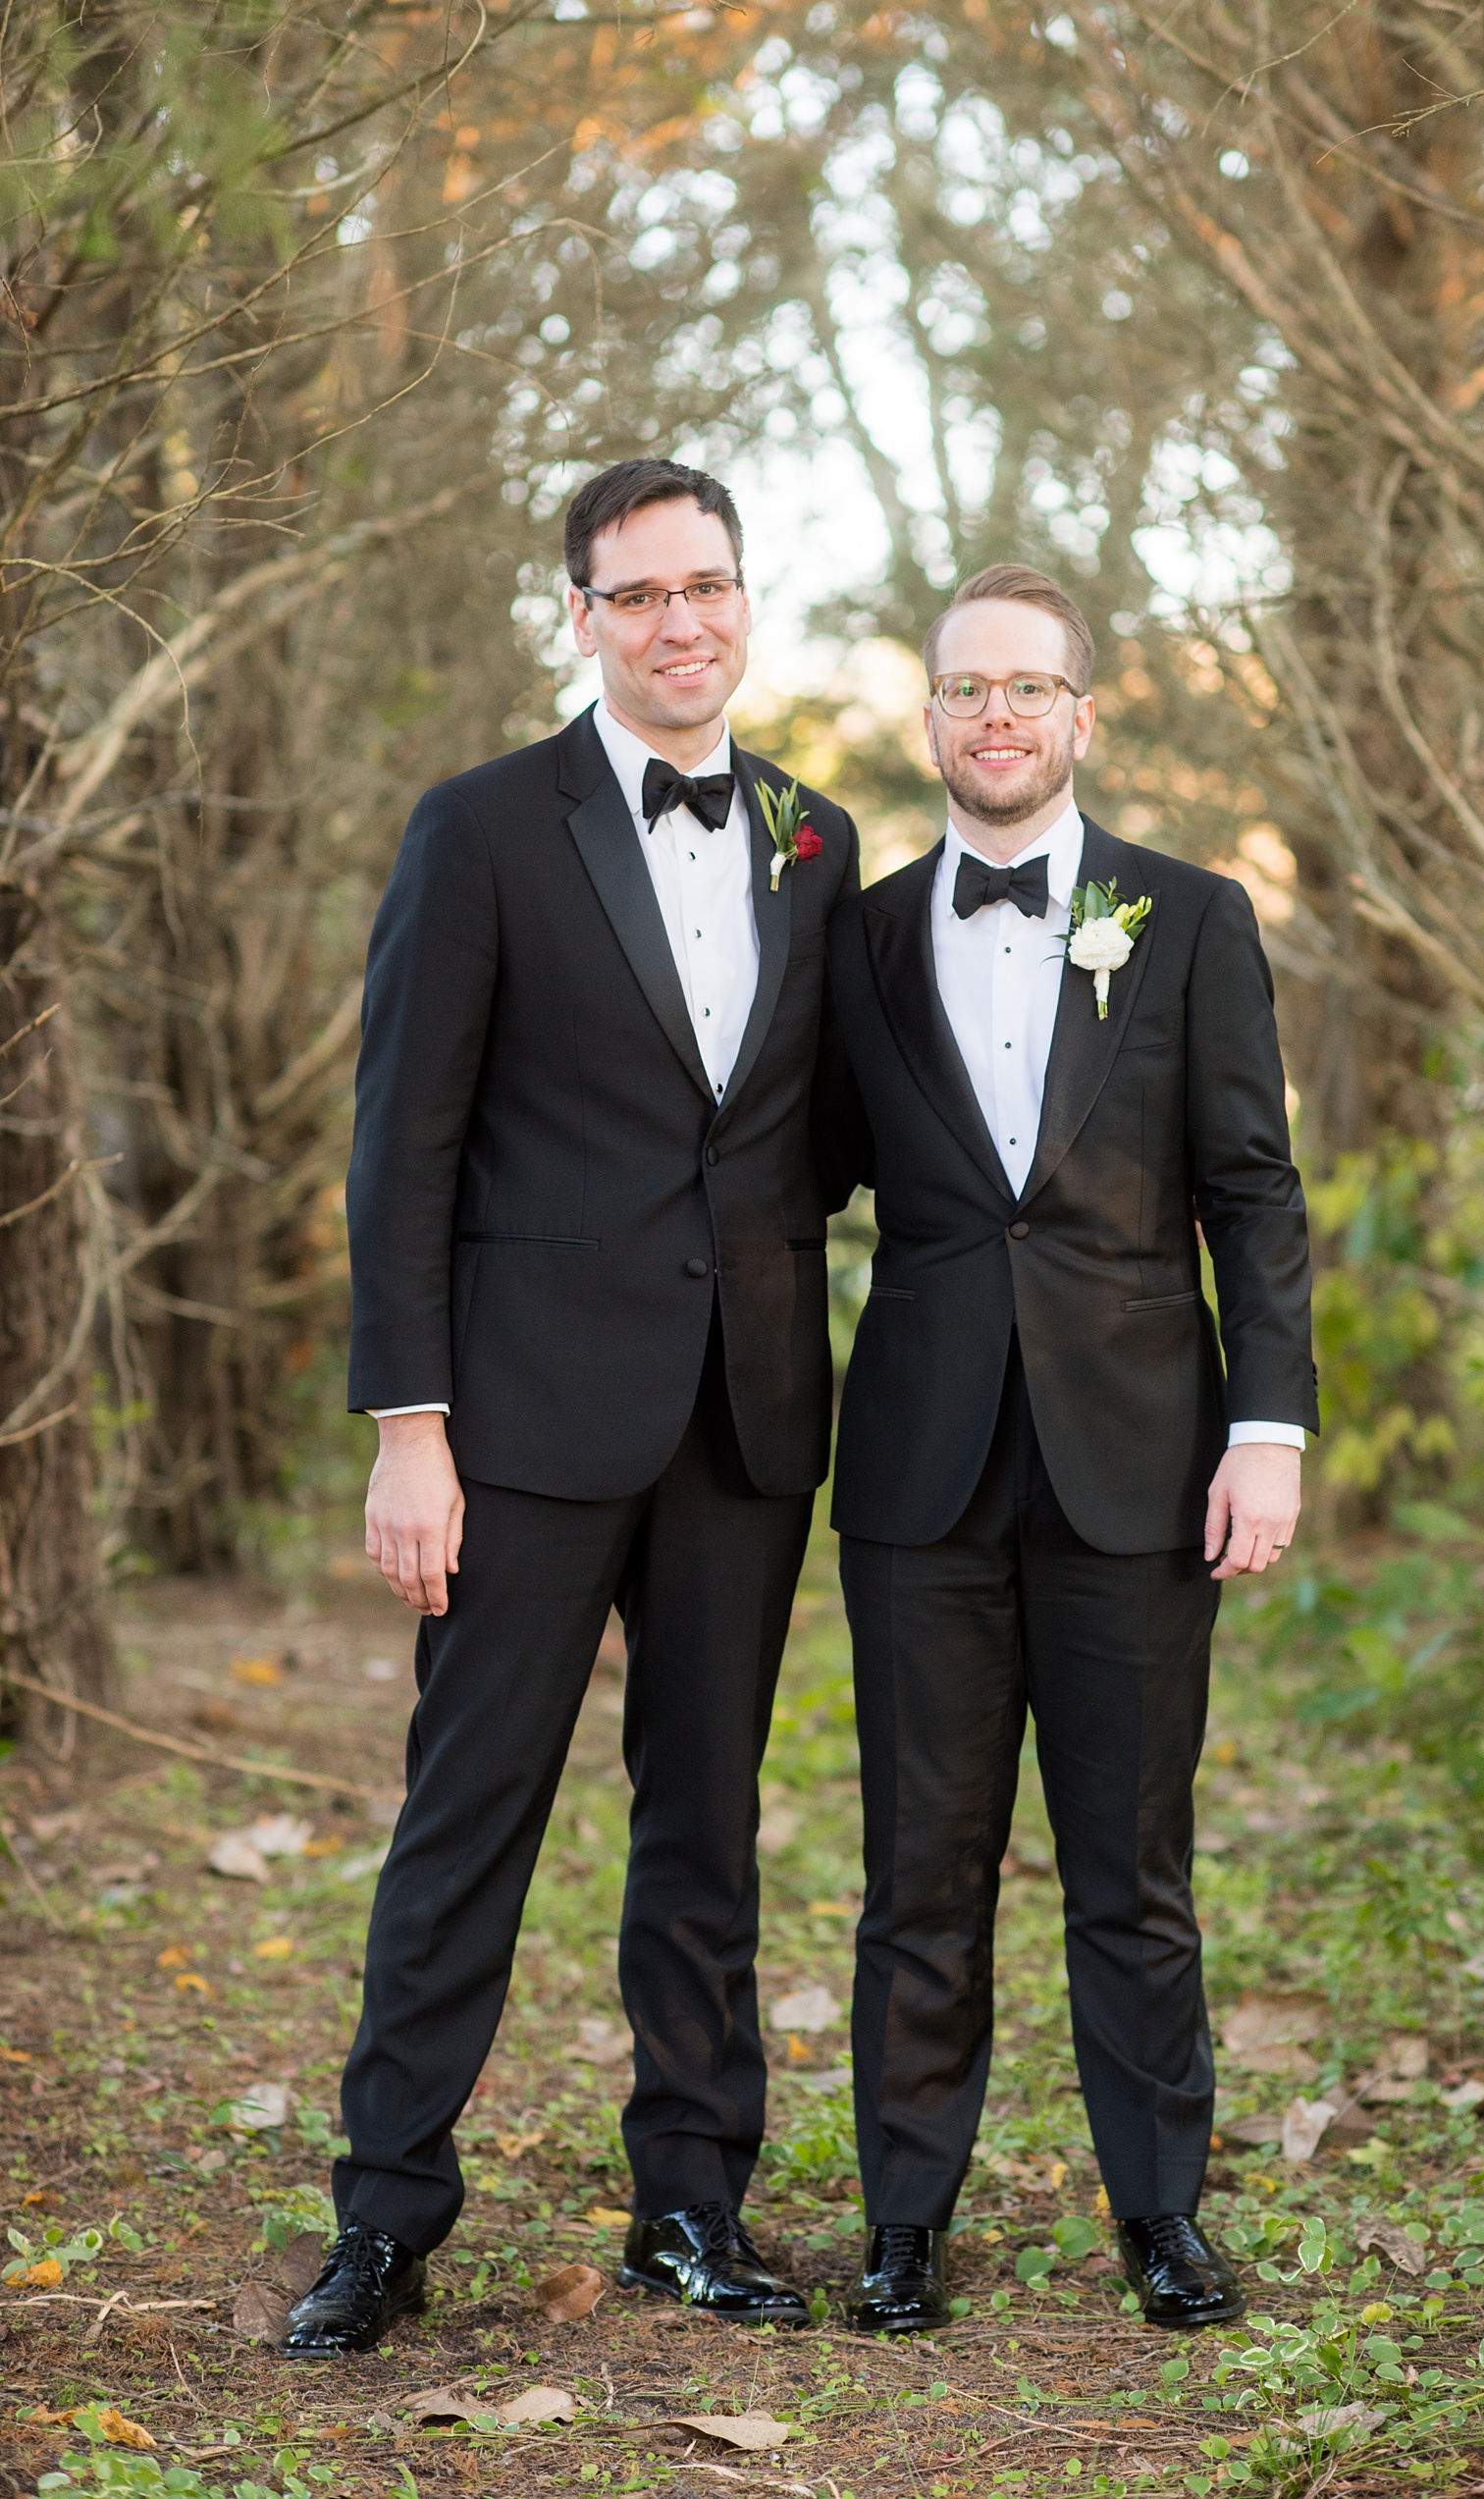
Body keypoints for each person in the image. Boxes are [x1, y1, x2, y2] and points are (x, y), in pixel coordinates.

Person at [283, 458, 860, 2356]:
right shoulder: (482, 828)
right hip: (518, 1420)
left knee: (705, 1825)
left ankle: (691, 2201)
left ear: (744, 601)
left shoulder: (816, 836)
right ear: (586, 617)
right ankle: (384, 2219)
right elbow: (403, 1147)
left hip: (745, 1420)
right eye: (639, 594)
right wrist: (408, 1427)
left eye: (708, 585)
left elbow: (827, 1130)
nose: (680, 620)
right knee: (469, 1818)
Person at [822, 565, 1316, 2336]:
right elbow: (786, 1176)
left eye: (1033, 689)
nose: (1000, 718)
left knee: (1133, 1864)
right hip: (919, 1475)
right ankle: (903, 2220)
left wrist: (1267, 1426)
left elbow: (1252, 1191)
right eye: (968, 690)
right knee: (920, 1861)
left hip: (1139, 1459)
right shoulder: (859, 936)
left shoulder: (1188, 917)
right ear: (932, 716)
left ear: (1084, 716)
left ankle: (1162, 2212)